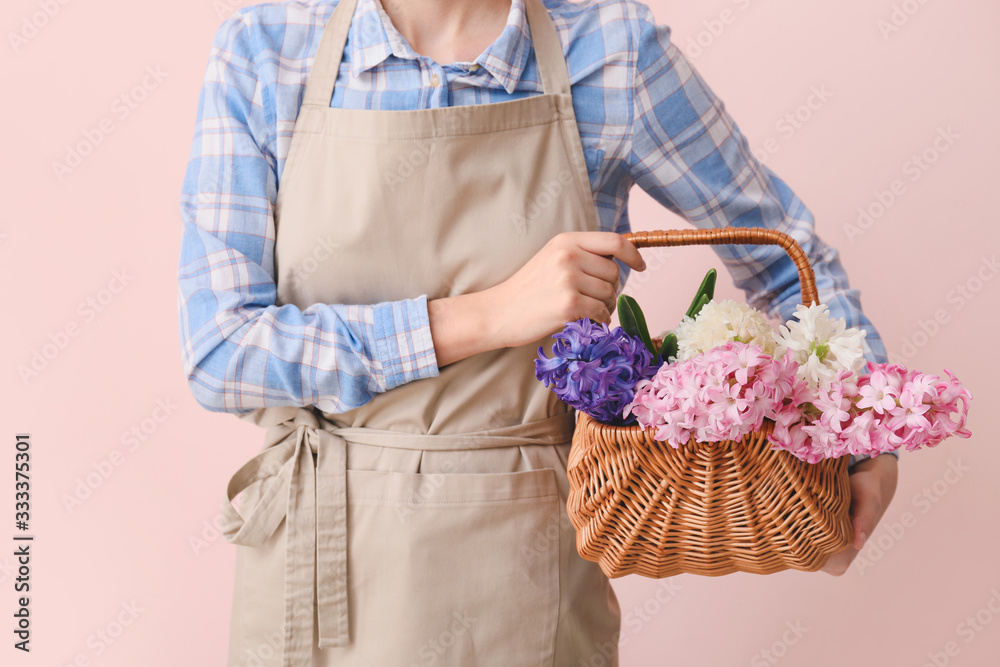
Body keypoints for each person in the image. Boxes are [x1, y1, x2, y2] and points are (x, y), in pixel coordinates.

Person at [176, 0, 899, 665]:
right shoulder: (268, 52)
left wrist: (869, 438)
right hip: (318, 571)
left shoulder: (613, 53)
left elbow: (782, 255)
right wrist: (489, 313)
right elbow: (222, 353)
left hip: (528, 580)